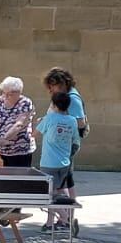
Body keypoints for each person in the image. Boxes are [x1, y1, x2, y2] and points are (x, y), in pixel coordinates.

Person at [36, 90, 81, 223]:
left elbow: (35, 133)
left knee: (48, 193)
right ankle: (52, 222)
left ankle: (65, 218)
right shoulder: (72, 120)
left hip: (48, 163)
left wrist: (41, 122)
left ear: (54, 105)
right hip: (65, 163)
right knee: (61, 191)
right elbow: (74, 139)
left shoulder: (50, 118)